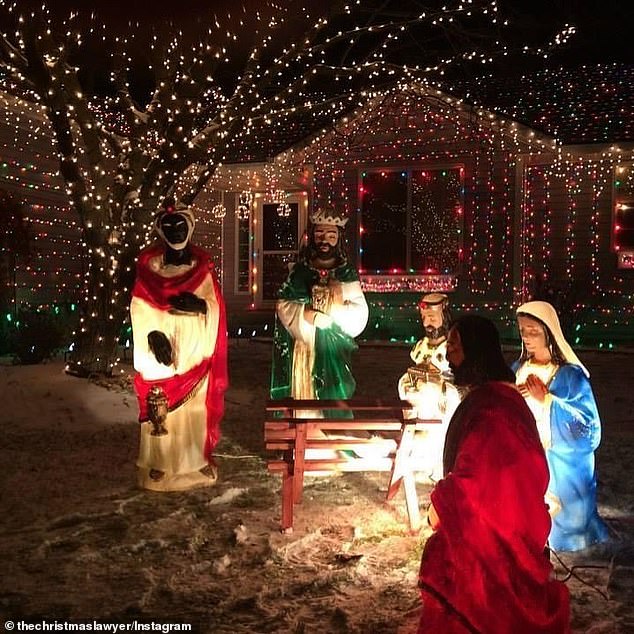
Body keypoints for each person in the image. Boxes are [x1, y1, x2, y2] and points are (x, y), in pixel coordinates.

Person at [418, 315, 570, 634]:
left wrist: (443, 504)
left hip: (498, 533)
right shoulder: (492, 397)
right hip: (496, 521)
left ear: (477, 349)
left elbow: (479, 480)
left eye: (456, 345)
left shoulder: (493, 409)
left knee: (449, 567)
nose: (449, 354)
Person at [130, 199, 228, 491]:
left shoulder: (203, 270)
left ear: (190, 227)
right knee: (162, 411)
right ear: (161, 231)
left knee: (194, 414)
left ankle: (194, 460)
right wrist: (152, 335)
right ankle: (159, 464)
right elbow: (139, 307)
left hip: (194, 354)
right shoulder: (149, 270)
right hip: (163, 354)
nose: (175, 231)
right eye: (168, 226)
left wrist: (199, 305)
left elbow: (215, 306)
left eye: (180, 225)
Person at [513, 300, 609, 552]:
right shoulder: (517, 369)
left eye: (533, 331)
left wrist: (547, 401)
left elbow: (590, 430)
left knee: (568, 515)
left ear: (548, 332)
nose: (527, 337)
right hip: (525, 452)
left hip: (560, 461)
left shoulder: (570, 376)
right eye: (523, 331)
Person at [270, 207, 368, 404]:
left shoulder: (345, 273)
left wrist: (339, 307)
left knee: (335, 392)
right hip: (305, 346)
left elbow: (361, 313)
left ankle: (330, 426)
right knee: (306, 394)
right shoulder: (300, 270)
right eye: (319, 234)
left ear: (338, 239)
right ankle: (306, 425)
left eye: (331, 236)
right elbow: (283, 304)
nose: (324, 241)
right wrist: (305, 315)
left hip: (333, 348)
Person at [397, 293, 460, 480]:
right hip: (418, 398)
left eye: (432, 318)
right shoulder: (420, 347)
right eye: (424, 318)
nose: (427, 324)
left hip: (440, 401)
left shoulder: (452, 347)